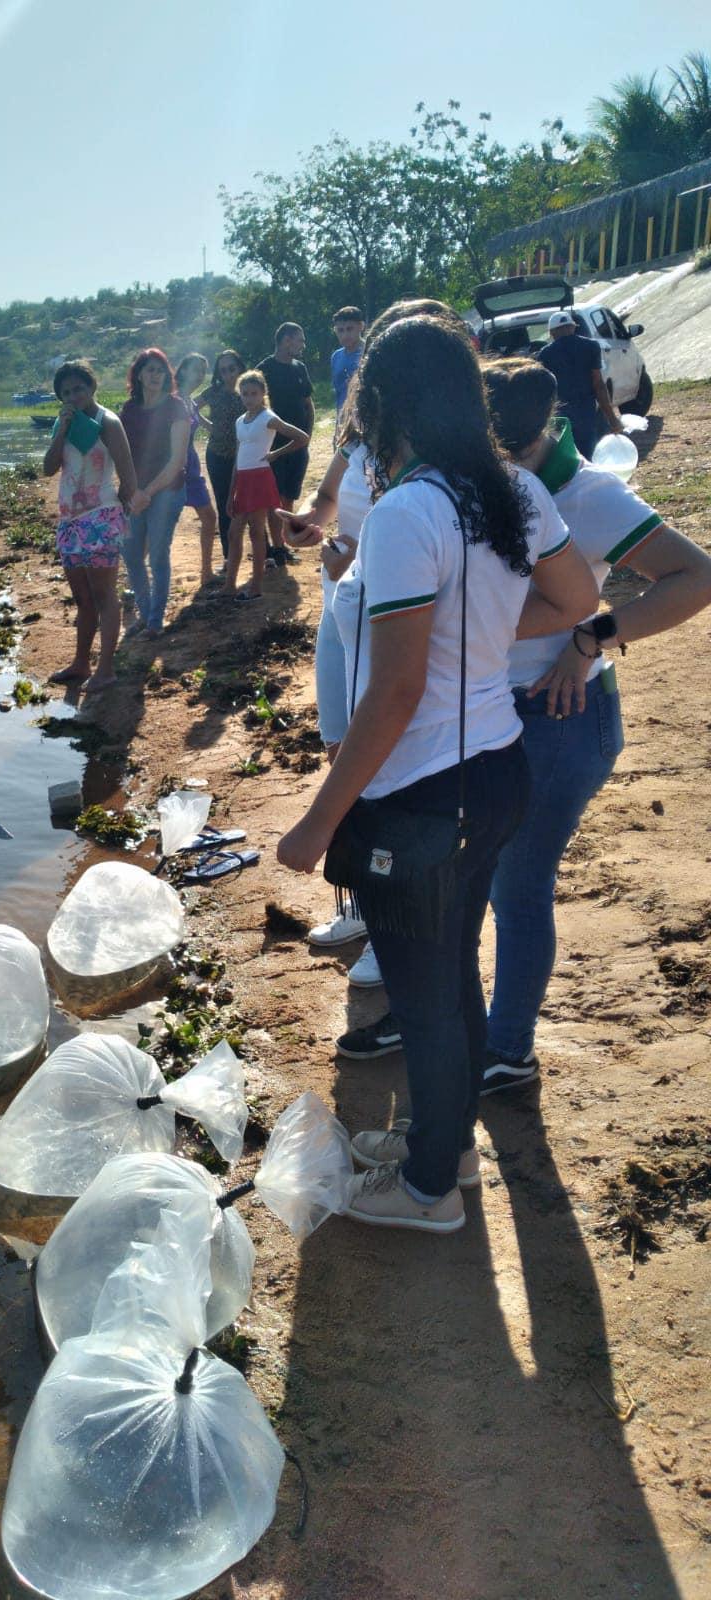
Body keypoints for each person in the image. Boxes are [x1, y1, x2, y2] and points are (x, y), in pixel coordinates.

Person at [275, 317, 596, 1235]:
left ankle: (426, 1195)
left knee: (426, 1000)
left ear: (380, 405)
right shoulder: (517, 489)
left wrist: (315, 823)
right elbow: (578, 600)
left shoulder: (412, 510)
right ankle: (445, 1151)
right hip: (495, 771)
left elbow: (396, 694)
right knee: (452, 974)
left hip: (422, 796)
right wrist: (488, 639)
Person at [479, 356, 711, 1092]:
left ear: (542, 431)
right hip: (499, 711)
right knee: (493, 881)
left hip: (562, 715)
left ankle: (507, 1051)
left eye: (503, 445)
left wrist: (593, 639)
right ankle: (485, 1030)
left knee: (518, 888)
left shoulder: (588, 496)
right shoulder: (482, 488)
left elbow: (696, 575)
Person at [284, 300, 473, 1002]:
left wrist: (355, 557)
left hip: (382, 612)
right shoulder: (358, 436)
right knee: (341, 749)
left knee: (382, 758)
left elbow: (416, 549)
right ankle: (362, 905)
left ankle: (387, 921)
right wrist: (310, 523)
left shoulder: (433, 450)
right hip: (342, 609)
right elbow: (329, 499)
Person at [41, 359, 141, 692]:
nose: (74, 396)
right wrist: (63, 429)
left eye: (79, 388)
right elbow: (48, 468)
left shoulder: (107, 421)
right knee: (82, 599)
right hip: (70, 521)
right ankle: (81, 663)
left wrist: (126, 513)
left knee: (104, 597)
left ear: (92, 387)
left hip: (101, 517)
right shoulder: (63, 423)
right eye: (66, 392)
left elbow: (127, 475)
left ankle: (106, 669)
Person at [119, 348, 191, 638]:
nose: (155, 375)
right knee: (131, 553)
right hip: (134, 491)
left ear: (167, 375)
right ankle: (146, 609)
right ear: (138, 374)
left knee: (158, 554)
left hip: (167, 489)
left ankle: (154, 621)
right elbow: (121, 455)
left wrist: (145, 492)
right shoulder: (129, 409)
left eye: (160, 370)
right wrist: (130, 490)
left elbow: (177, 462)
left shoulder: (176, 408)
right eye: (149, 369)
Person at [224, 370, 309, 602]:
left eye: (253, 393)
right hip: (243, 479)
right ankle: (229, 585)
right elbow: (239, 456)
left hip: (260, 478)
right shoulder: (240, 421)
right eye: (244, 394)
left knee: (256, 532)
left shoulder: (267, 417)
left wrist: (275, 454)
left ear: (263, 393)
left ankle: (256, 587)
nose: (249, 398)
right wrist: (231, 492)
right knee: (234, 533)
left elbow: (302, 437)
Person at [259, 322, 315, 565]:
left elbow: (308, 403)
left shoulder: (300, 368)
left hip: (298, 445)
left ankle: (283, 541)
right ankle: (278, 548)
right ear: (286, 340)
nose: (303, 345)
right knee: (273, 498)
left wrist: (307, 434)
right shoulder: (265, 369)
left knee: (289, 495)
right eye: (300, 340)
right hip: (274, 446)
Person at [536, 309, 624, 459]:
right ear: (573, 327)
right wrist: (612, 419)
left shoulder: (545, 354)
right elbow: (599, 385)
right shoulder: (591, 347)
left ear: (551, 333)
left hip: (560, 417)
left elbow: (543, 392)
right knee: (591, 457)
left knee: (564, 457)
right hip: (587, 414)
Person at [174, 353, 220, 586]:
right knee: (159, 525)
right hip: (172, 468)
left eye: (203, 371)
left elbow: (203, 423)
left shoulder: (189, 400)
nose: (200, 375)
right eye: (195, 370)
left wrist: (228, 431)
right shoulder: (171, 399)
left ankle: (206, 571)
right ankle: (134, 580)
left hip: (190, 467)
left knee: (209, 517)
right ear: (182, 370)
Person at [197, 349, 246, 561]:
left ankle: (266, 553)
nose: (228, 374)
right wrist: (208, 426)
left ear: (240, 368)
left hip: (245, 456)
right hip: (217, 455)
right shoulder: (214, 391)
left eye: (232, 369)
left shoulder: (248, 389)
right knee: (225, 504)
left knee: (252, 503)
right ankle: (228, 557)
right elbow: (191, 406)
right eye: (223, 370)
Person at [329, 306, 365, 423]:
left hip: (367, 421)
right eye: (340, 330)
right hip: (343, 422)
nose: (345, 335)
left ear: (361, 327)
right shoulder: (336, 357)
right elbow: (339, 392)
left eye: (349, 329)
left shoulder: (370, 352)